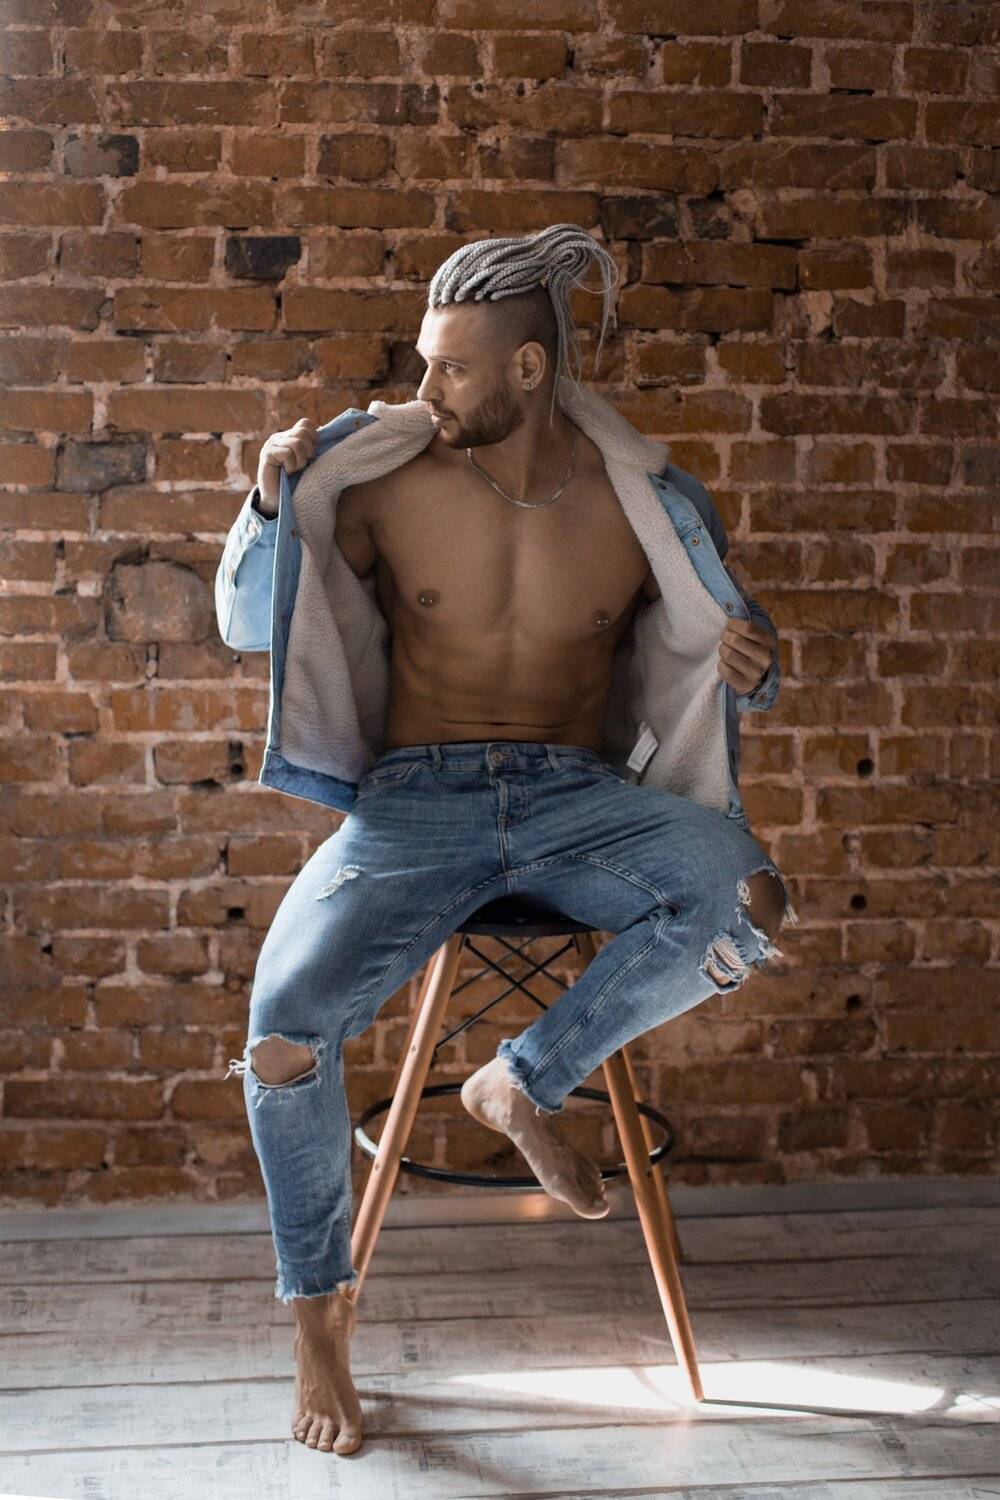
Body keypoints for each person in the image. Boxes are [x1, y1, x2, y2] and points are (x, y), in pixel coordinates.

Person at [216, 224, 798, 1456]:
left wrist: (754, 667)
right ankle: (319, 1318)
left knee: (745, 896)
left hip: (576, 795)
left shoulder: (648, 504)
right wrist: (266, 502)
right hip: (413, 799)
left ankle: (521, 1079)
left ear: (528, 369)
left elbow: (712, 650)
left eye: (451, 367)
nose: (422, 387)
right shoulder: (382, 483)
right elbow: (250, 623)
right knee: (279, 1034)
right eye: (424, 363)